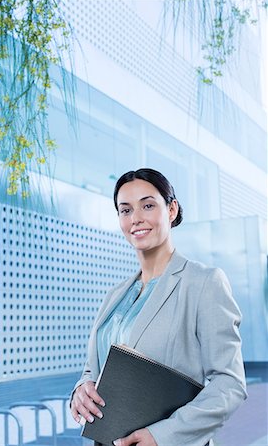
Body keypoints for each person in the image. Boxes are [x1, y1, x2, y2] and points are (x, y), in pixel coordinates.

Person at [70, 168, 247, 446]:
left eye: (148, 205)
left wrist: (162, 436)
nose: (136, 218)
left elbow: (229, 384)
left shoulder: (203, 283)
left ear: (172, 209)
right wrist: (81, 389)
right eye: (125, 210)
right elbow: (94, 369)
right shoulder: (115, 295)